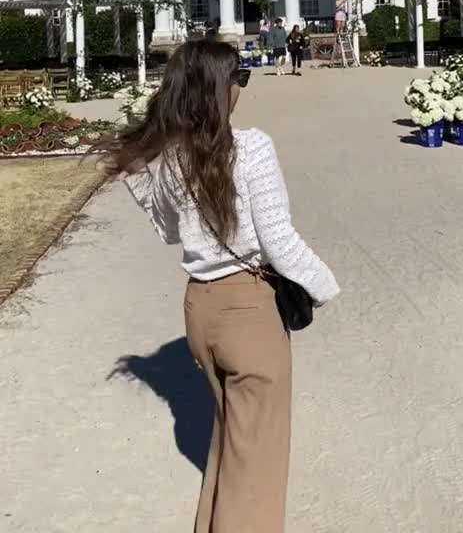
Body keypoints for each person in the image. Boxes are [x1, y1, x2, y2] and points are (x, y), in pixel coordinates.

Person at [107, 40, 339, 533]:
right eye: (239, 78)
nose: (241, 88)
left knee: (233, 439)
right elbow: (279, 242)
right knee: (258, 460)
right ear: (218, 88)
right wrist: (323, 285)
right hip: (248, 311)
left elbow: (169, 232)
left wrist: (140, 172)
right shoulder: (251, 147)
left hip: (201, 307)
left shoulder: (171, 157)